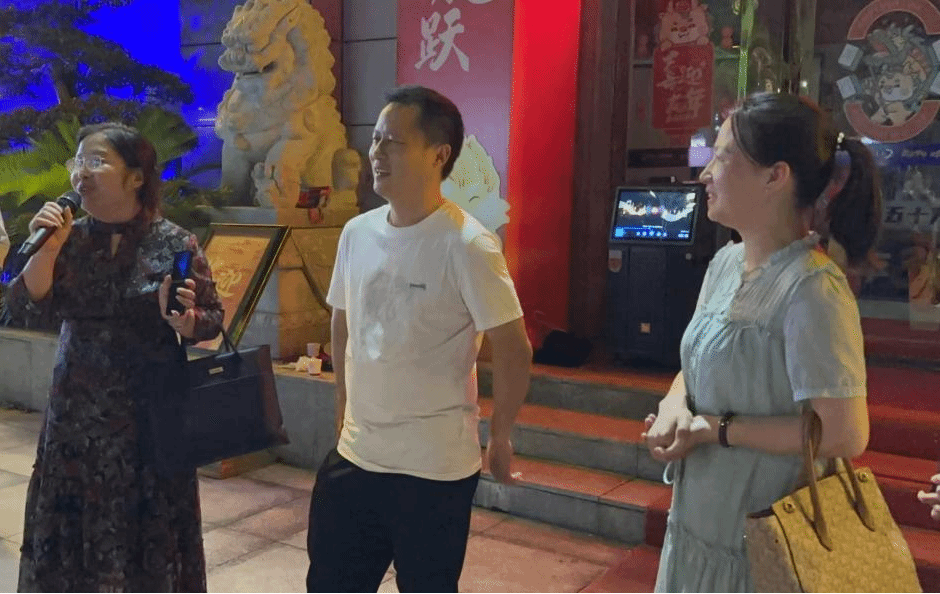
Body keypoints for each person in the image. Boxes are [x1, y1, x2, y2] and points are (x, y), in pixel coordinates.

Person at [642, 92, 879, 592]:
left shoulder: (813, 289)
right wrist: (674, 407)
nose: (706, 174)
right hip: (699, 527)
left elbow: (844, 434)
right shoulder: (725, 264)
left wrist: (717, 430)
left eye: (723, 156)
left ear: (776, 176)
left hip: (765, 545)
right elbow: (698, 363)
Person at [306, 85, 533, 593]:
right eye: (375, 139)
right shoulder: (357, 233)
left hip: (433, 473)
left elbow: (515, 347)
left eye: (393, 142)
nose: (377, 152)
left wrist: (500, 434)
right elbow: (342, 320)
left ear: (438, 154)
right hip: (356, 458)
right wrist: (342, 402)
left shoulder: (468, 245)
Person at [5, 122, 223, 593]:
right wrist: (47, 249)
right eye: (78, 161)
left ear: (136, 176)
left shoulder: (176, 243)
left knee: (149, 528)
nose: (81, 172)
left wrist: (185, 322)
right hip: (76, 411)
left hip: (150, 414)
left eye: (97, 161)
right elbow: (23, 307)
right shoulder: (68, 237)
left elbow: (210, 318)